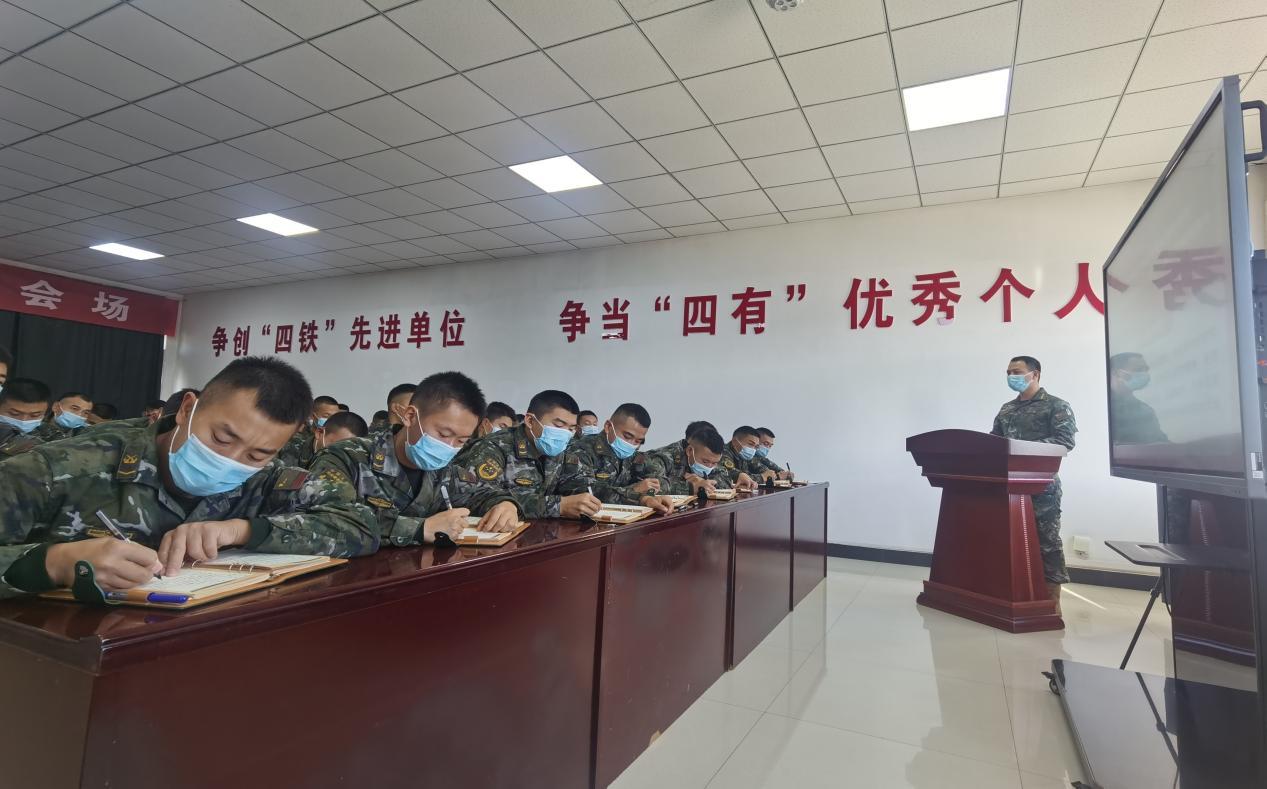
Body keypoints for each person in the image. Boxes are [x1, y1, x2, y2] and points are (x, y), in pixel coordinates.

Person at [0, 356, 375, 598]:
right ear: (187, 410)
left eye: (257, 454)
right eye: (221, 438)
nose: (229, 461)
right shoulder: (57, 467)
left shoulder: (264, 478)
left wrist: (241, 530)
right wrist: (55, 562)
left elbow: (360, 525)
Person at [304, 372, 521, 548]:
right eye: (443, 434)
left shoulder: (443, 471)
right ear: (409, 416)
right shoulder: (346, 458)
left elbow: (483, 493)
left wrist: (506, 505)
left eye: (461, 441)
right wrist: (419, 529)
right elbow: (326, 525)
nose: (448, 446)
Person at [990, 355, 1078, 611]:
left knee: (1046, 540)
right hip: (1007, 484)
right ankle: (1012, 590)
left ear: (1035, 374)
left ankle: (1052, 599)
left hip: (1042, 485)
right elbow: (995, 441)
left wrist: (1020, 447)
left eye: (1016, 372)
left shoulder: (1056, 406)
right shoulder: (1007, 409)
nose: (1011, 376)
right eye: (1008, 372)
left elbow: (1065, 442)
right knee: (1009, 538)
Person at [454, 390, 601, 519]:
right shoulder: (495, 447)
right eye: (559, 425)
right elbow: (474, 495)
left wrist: (587, 497)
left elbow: (579, 483)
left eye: (571, 429)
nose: (564, 434)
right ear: (530, 420)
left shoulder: (561, 449)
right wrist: (557, 506)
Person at [558, 404, 673, 514]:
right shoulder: (581, 450)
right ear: (608, 426)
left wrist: (650, 492)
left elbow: (662, 480)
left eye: (638, 441)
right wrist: (634, 491)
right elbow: (586, 492)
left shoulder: (634, 454)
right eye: (627, 436)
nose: (631, 444)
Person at [644, 425, 731, 495]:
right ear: (689, 451)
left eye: (714, 463)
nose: (709, 467)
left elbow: (725, 480)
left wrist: (705, 483)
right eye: (705, 462)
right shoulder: (664, 457)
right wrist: (691, 487)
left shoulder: (710, 458)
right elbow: (652, 487)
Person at [1108, 352, 1167, 445]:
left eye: (1146, 369)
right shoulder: (1101, 406)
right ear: (1117, 373)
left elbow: (1161, 442)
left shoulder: (1145, 410)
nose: (1145, 374)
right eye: (1138, 369)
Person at [278, 410, 369, 468]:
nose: (339, 454)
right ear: (319, 433)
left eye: (346, 451)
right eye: (336, 446)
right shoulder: (287, 448)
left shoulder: (352, 466)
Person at [0, 378, 52, 457]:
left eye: (34, 415)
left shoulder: (51, 438)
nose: (23, 420)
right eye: (14, 414)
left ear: (45, 414)